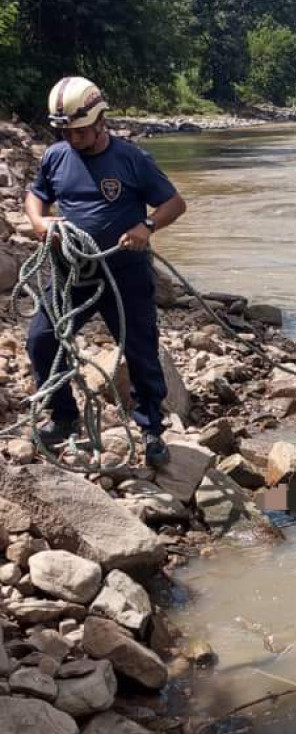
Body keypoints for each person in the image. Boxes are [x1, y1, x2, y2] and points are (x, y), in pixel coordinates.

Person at [24, 76, 187, 467]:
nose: (72, 138)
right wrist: (40, 223)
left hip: (125, 274)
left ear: (101, 121)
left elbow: (174, 203)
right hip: (73, 273)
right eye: (65, 132)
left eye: (79, 131)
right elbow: (36, 195)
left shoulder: (132, 159)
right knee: (41, 339)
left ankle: (151, 429)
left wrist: (147, 226)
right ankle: (64, 415)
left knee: (140, 350)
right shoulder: (56, 156)